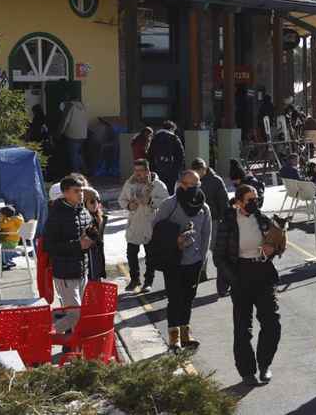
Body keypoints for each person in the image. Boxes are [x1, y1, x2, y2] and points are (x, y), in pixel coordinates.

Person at [215, 184, 284, 385]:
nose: (254, 203)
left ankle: (264, 365)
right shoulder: (228, 223)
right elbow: (219, 256)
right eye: (250, 200)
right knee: (242, 328)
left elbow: (277, 243)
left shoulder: (262, 219)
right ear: (238, 202)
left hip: (263, 273)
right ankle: (247, 372)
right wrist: (233, 278)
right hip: (240, 275)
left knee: (272, 323)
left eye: (256, 199)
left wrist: (273, 250)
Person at [154, 170, 212, 351]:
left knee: (188, 298)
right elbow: (155, 229)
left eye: (196, 185)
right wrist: (175, 240)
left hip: (194, 262)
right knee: (174, 299)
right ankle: (174, 336)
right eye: (189, 185)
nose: (192, 188)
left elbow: (206, 235)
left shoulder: (204, 207)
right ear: (181, 184)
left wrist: (202, 260)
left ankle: (185, 333)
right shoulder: (169, 204)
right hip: (173, 261)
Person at [44, 176, 94, 334]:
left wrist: (92, 237)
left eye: (81, 191)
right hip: (65, 273)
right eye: (76, 191)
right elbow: (49, 246)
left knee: (82, 314)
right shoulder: (56, 215)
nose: (81, 194)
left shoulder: (83, 210)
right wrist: (78, 245)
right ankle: (45, 335)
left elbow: (90, 232)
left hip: (82, 270)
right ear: (65, 193)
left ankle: (73, 345)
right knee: (74, 315)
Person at [119, 159, 169, 293]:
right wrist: (128, 205)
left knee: (150, 256)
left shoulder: (157, 185)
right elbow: (121, 199)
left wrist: (151, 201)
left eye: (140, 170)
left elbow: (166, 203)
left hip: (150, 224)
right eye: (136, 170)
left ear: (147, 171)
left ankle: (148, 282)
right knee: (131, 254)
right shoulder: (129, 184)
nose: (137, 173)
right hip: (134, 224)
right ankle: (134, 280)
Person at [148, 120, 185, 193]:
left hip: (157, 169)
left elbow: (150, 154)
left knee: (158, 188)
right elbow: (180, 155)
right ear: (172, 129)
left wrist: (152, 168)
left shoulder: (155, 138)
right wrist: (177, 169)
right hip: (171, 170)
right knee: (170, 190)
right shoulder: (174, 138)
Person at [59, 96, 89, 174]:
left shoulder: (70, 106)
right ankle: (85, 171)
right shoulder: (83, 106)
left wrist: (59, 133)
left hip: (72, 135)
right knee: (78, 154)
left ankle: (77, 174)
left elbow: (65, 121)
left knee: (73, 156)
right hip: (83, 135)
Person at [83, 186, 106, 281]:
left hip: (97, 259)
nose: (95, 204)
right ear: (84, 203)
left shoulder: (99, 217)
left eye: (97, 201)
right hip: (89, 261)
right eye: (92, 201)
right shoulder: (85, 220)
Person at [0, 206, 24, 270]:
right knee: (0, 245)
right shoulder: (14, 219)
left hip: (9, 242)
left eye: (0, 214)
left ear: (4, 215)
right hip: (13, 241)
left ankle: (5, 262)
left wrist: (0, 219)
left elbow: (1, 226)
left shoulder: (11, 221)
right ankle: (8, 260)